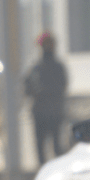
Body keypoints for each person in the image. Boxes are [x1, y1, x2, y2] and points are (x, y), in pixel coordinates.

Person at [23, 32, 68, 164]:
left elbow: (62, 86)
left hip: (50, 112)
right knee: (44, 149)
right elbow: (27, 87)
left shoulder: (46, 67)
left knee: (54, 148)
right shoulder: (38, 67)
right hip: (45, 113)